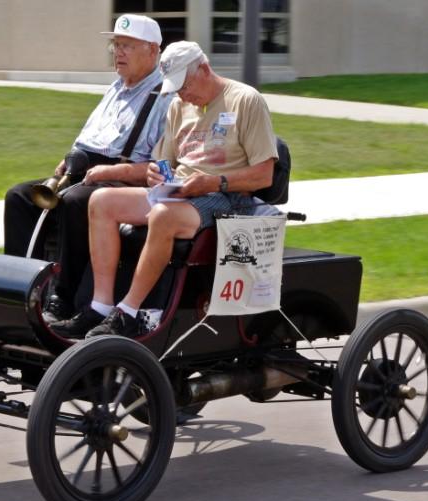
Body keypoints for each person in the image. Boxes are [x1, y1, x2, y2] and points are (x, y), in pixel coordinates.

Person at [51, 41, 279, 338]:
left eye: (185, 85)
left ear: (205, 69)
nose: (183, 94)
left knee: (162, 215)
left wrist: (213, 182)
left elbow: (264, 174)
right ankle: (100, 306)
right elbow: (163, 162)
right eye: (177, 88)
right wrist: (156, 173)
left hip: (227, 196)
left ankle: (129, 312)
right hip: (182, 193)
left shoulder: (245, 100)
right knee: (101, 201)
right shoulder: (179, 106)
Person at [3, 14, 172, 321]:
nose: (117, 53)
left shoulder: (165, 97)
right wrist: (69, 160)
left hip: (126, 176)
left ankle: (63, 298)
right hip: (83, 169)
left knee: (75, 201)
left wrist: (108, 173)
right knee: (19, 197)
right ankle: (19, 291)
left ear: (152, 50)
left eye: (127, 46)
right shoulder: (116, 88)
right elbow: (90, 138)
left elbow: (160, 167)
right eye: (116, 45)